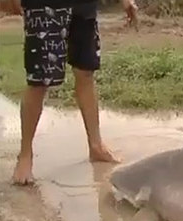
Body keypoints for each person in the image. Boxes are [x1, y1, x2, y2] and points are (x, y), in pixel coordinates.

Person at [11, 0, 138, 185]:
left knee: (86, 72)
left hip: (83, 6)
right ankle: (25, 155)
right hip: (44, 5)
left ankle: (96, 146)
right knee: (40, 80)